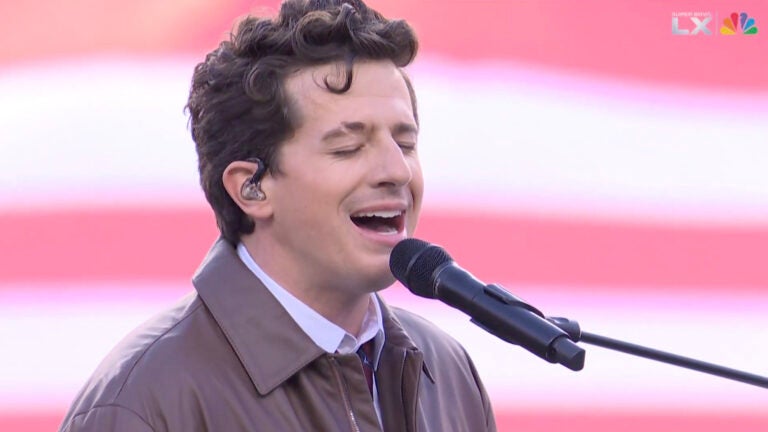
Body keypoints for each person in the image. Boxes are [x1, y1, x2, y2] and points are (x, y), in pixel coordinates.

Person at [59, 1, 497, 431]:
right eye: (348, 148)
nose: (396, 172)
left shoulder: (450, 374)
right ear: (251, 188)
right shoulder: (143, 404)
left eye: (404, 144)